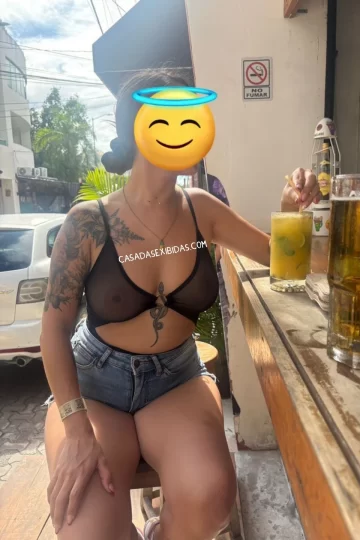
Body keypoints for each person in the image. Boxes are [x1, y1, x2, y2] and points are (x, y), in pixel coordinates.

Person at [41, 68, 321, 540]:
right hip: (94, 384)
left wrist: (292, 208)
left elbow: (279, 257)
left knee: (210, 494)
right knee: (85, 530)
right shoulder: (88, 222)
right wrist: (77, 429)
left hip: (175, 379)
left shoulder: (201, 209)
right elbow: (53, 329)